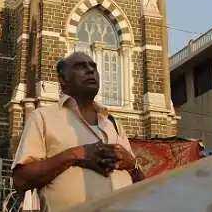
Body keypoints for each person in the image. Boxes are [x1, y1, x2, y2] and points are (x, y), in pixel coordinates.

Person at [13, 52, 145, 211]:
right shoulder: (42, 117)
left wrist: (132, 164)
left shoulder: (113, 123)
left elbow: (142, 184)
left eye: (93, 67)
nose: (90, 70)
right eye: (80, 66)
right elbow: (21, 180)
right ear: (63, 79)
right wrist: (76, 155)